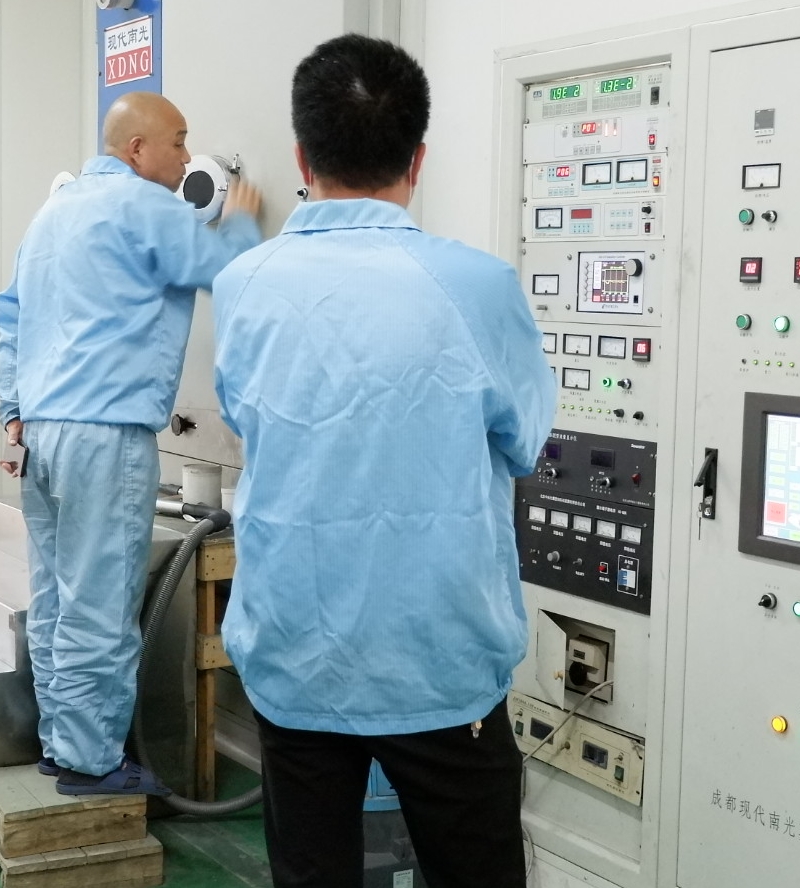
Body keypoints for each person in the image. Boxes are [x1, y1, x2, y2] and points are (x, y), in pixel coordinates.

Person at [212, 34, 556, 888]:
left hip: (295, 648)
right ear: (418, 159)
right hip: (439, 653)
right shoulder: (479, 285)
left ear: (303, 157)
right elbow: (524, 441)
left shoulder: (244, 283)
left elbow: (245, 419)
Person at [0, 91, 261, 796]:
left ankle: (63, 746)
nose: (185, 157)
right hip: (104, 436)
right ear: (137, 149)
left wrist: (12, 408)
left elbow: (9, 317)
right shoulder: (146, 207)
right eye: (178, 141)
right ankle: (91, 763)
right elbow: (225, 269)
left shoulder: (53, 213)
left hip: (41, 434)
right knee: (102, 607)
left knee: (57, 600)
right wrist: (241, 218)